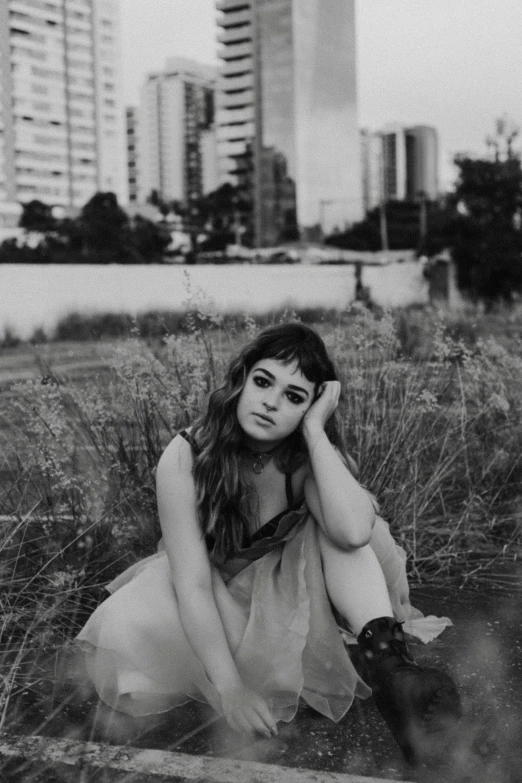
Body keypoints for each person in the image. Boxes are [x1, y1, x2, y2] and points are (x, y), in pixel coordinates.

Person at [77, 323, 462, 765]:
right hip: (212, 595)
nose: (271, 403)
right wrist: (231, 688)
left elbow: (356, 533)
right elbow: (194, 584)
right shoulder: (186, 453)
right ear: (241, 380)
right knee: (154, 638)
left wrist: (317, 433)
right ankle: (353, 660)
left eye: (295, 397)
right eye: (263, 382)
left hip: (290, 585)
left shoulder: (301, 454)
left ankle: (395, 674)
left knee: (341, 529)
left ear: (309, 408)